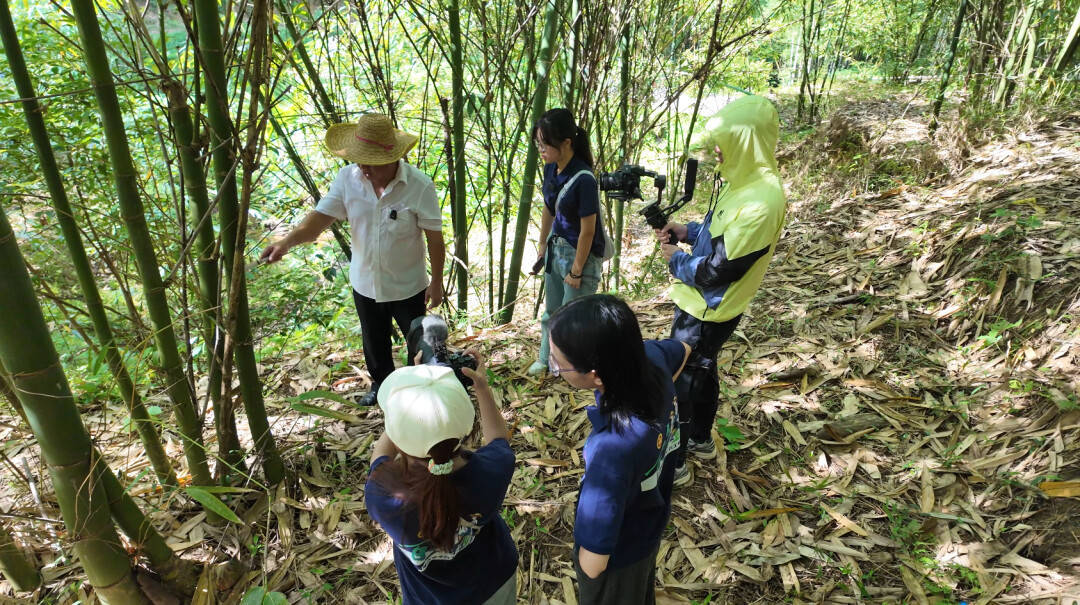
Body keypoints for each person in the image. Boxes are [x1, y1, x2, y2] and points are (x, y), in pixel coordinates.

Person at [260, 113, 445, 406]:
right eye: (360, 158)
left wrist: (436, 282)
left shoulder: (419, 186)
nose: (363, 166)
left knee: (419, 343)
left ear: (392, 157)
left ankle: (419, 390)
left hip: (408, 285)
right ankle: (382, 387)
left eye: (370, 160)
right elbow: (317, 222)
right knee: (374, 343)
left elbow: (435, 238)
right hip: (365, 283)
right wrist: (286, 242)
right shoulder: (348, 179)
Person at [654, 95, 787, 487]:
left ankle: (674, 462)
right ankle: (698, 440)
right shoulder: (741, 179)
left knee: (682, 380)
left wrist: (675, 259)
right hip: (700, 304)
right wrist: (688, 231)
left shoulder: (762, 200)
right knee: (703, 369)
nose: (715, 151)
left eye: (723, 140)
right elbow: (719, 233)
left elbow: (717, 270)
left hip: (708, 309)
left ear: (746, 141)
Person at [548, 294, 691, 604]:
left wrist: (584, 570)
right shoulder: (650, 360)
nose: (555, 370)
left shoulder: (610, 451)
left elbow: (595, 561)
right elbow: (684, 350)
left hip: (619, 555)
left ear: (595, 375)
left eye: (559, 365)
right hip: (650, 522)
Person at [365, 357, 518, 605]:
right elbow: (499, 439)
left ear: (396, 434)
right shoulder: (493, 469)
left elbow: (380, 455)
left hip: (429, 598)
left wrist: (407, 409)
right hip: (494, 583)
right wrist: (482, 388)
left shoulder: (384, 494)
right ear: (467, 429)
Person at [527, 108, 606, 376]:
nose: (541, 150)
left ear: (566, 143)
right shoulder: (551, 169)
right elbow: (549, 209)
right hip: (555, 249)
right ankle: (546, 359)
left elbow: (588, 230)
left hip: (578, 254)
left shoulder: (584, 179)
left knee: (576, 317)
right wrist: (541, 245)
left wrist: (576, 270)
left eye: (545, 144)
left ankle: (577, 367)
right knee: (552, 311)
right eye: (538, 143)